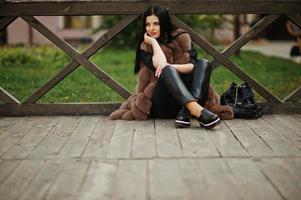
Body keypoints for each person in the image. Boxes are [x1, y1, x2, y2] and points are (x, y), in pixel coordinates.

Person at [109, 6, 234, 129]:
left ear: (163, 22)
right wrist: (153, 42)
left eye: (156, 23)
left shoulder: (181, 38)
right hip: (163, 103)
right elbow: (160, 65)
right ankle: (195, 110)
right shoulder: (146, 46)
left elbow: (193, 66)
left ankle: (187, 111)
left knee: (204, 63)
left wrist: (172, 66)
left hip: (190, 97)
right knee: (166, 70)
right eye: (148, 24)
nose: (151, 28)